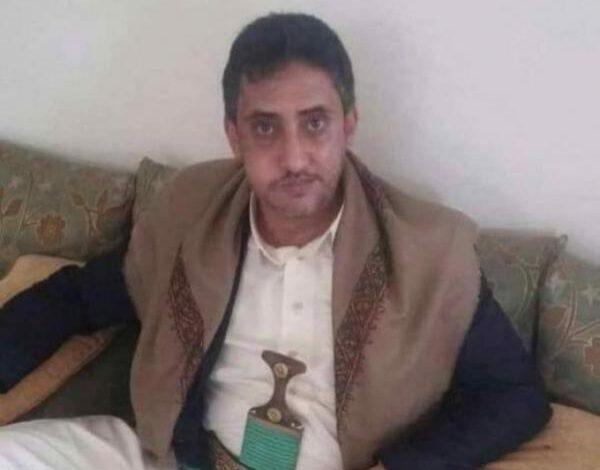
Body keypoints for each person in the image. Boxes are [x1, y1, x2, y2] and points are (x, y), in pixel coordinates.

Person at [0, 12, 550, 470]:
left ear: (348, 123)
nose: (293, 158)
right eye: (265, 127)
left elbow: (513, 395)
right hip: (175, 455)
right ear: (234, 135)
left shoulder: (430, 251)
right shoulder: (190, 210)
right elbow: (79, 297)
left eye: (315, 123)